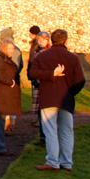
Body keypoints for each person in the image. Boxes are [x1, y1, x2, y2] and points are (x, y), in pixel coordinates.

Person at [29, 29, 85, 171]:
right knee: (67, 131)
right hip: (66, 99)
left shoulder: (43, 56)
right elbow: (80, 81)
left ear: (51, 40)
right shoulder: (73, 58)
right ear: (66, 41)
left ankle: (53, 162)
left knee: (51, 131)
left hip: (48, 98)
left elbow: (32, 73)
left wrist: (49, 75)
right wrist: (70, 92)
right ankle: (66, 162)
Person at [0, 39, 21, 156]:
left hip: (1, 95)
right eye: (9, 49)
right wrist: (11, 82)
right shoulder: (0, 60)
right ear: (4, 48)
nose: (11, 51)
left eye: (12, 49)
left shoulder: (2, 59)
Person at [27, 32, 51, 131]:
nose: (41, 41)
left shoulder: (49, 52)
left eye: (44, 39)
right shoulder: (35, 51)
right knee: (38, 102)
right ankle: (39, 119)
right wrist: (32, 77)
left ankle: (43, 122)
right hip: (37, 80)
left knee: (45, 103)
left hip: (45, 81)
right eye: (40, 39)